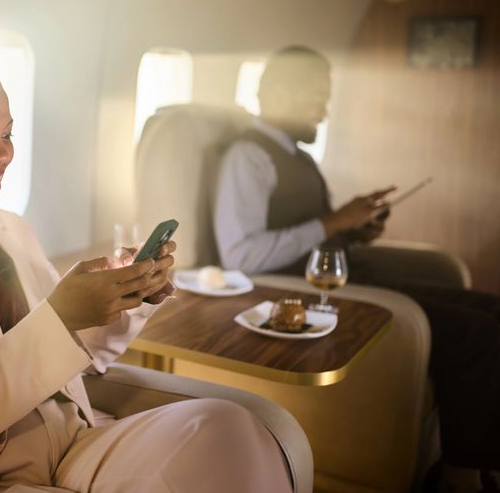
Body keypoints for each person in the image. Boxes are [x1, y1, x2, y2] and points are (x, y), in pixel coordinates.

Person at [0, 44, 292, 493]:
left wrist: (125, 295)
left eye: (6, 134)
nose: (2, 154)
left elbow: (73, 353)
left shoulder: (9, 230)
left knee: (227, 427)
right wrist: (61, 317)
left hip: (69, 444)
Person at [213, 45, 500, 492]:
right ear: (281, 92)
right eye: (318, 97)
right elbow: (242, 257)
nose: (324, 112)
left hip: (348, 276)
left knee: (491, 309)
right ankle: (461, 479)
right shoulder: (247, 157)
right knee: (476, 334)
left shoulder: (297, 155)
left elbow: (310, 230)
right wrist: (334, 220)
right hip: (301, 296)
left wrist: (354, 231)